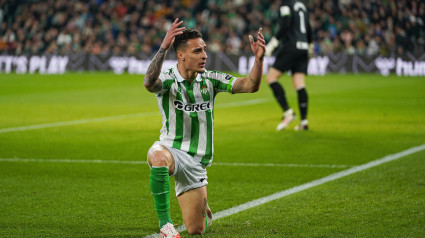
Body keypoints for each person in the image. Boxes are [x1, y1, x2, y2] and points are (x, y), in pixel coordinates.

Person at [143, 18, 265, 237]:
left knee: (196, 230)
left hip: (197, 163)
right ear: (181, 55)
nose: (204, 55)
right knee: (158, 157)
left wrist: (259, 60)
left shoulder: (211, 80)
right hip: (171, 149)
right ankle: (165, 225)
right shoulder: (169, 80)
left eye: (204, 50)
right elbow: (149, 83)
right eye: (197, 51)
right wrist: (163, 47)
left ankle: (203, 212)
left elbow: (250, 85)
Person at [265, 0, 312, 131]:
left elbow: (286, 23)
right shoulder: (302, 5)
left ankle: (288, 112)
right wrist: (310, 44)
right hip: (303, 47)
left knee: (271, 78)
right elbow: (308, 26)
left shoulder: (286, 4)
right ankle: (304, 121)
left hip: (291, 46)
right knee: (300, 84)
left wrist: (273, 43)